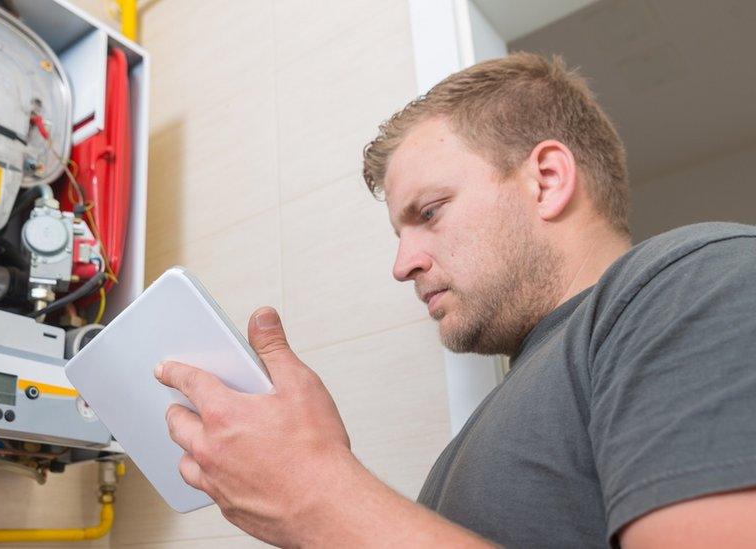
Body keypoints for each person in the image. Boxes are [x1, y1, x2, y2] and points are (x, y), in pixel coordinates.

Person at [153, 52, 756, 547]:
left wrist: (318, 494)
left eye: (430, 212)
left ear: (546, 180)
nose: (402, 264)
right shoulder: (497, 420)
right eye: (399, 233)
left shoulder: (694, 279)